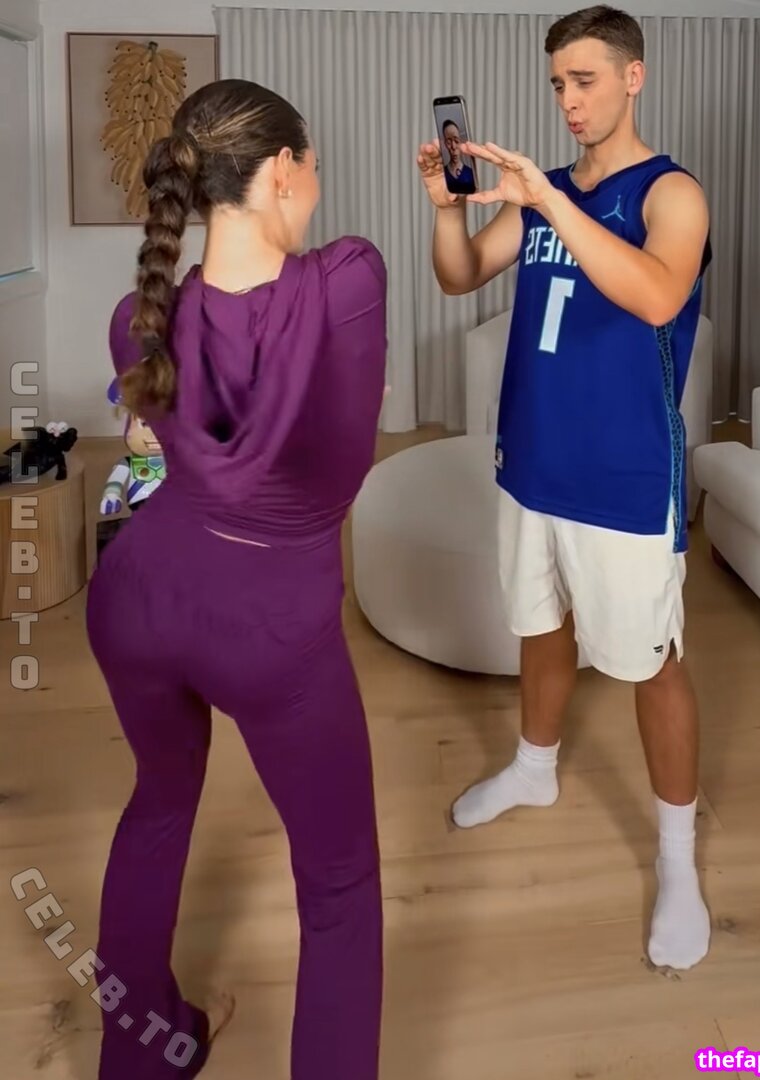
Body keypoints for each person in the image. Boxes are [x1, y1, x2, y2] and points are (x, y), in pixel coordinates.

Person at [86, 78, 388, 1080]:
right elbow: (335, 456)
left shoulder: (137, 317)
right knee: (338, 882)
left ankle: (142, 1057)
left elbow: (161, 456)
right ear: (280, 172)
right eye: (313, 166)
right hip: (267, 626)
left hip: (135, 597)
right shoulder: (346, 282)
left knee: (157, 805)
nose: (318, 185)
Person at [416, 4, 713, 972]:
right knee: (539, 625)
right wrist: (449, 208)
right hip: (531, 459)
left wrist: (550, 200)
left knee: (650, 662)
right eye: (557, 84)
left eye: (584, 80)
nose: (568, 101)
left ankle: (676, 860)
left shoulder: (672, 192)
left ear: (632, 76)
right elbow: (462, 275)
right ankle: (533, 770)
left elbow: (658, 295)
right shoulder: (543, 194)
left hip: (624, 473)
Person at [441, 119, 476, 190]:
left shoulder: (471, 173)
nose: (453, 147)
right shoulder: (441, 174)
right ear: (445, 144)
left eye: (456, 141)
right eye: (449, 142)